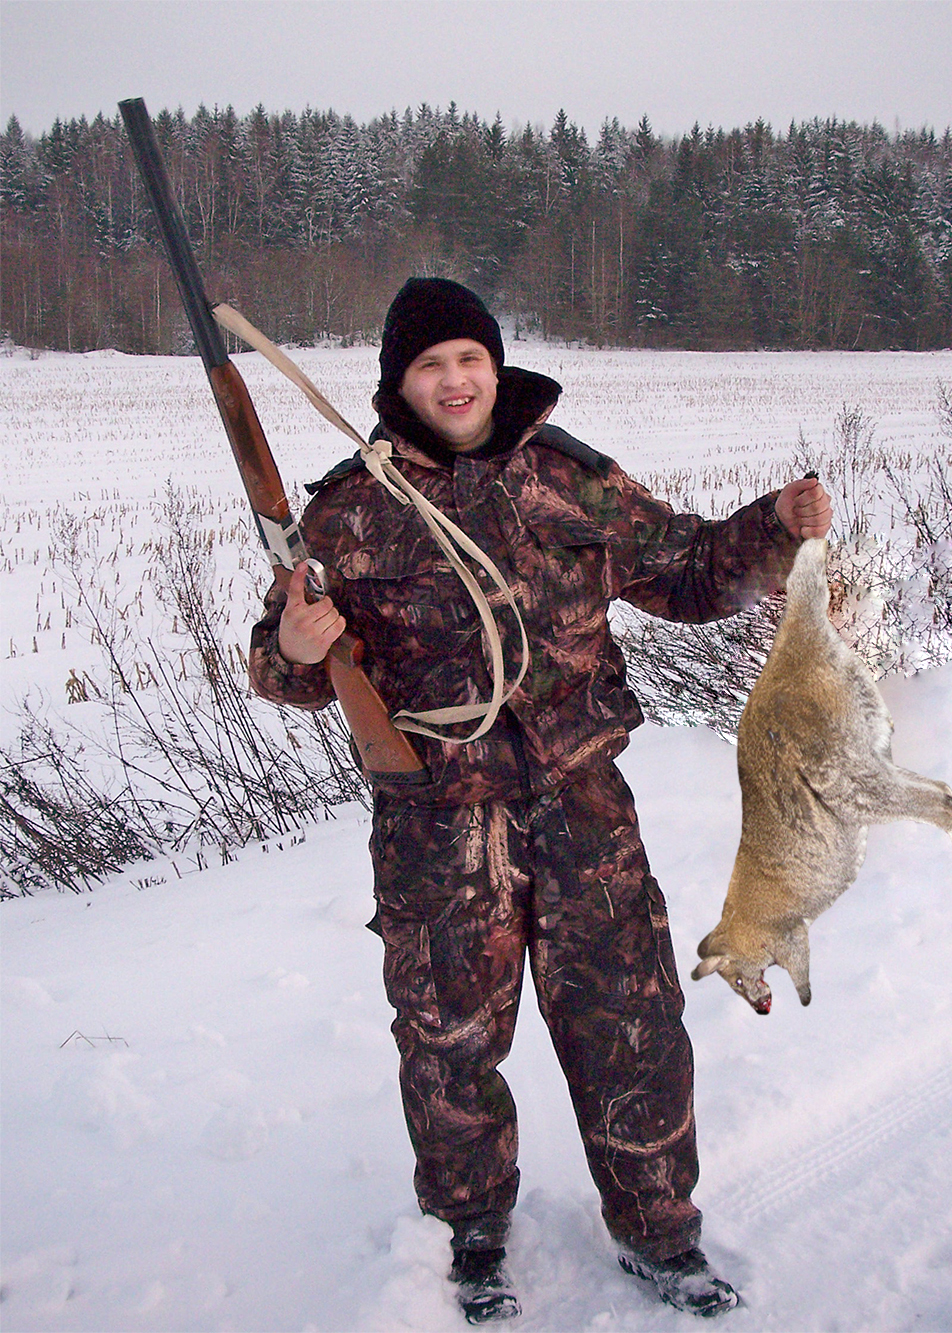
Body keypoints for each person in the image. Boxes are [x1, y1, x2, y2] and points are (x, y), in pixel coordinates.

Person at [249, 278, 833, 1323]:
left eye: (469, 359)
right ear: (398, 384)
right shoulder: (351, 508)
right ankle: (470, 1235)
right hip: (437, 823)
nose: (455, 381)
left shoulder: (569, 478)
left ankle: (660, 1231)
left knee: (631, 1021)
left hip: (582, 805)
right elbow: (284, 666)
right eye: (430, 366)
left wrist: (774, 529)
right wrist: (294, 646)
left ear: (495, 365)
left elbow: (691, 573)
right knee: (449, 1040)